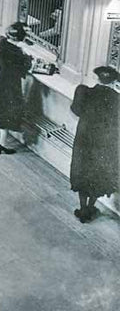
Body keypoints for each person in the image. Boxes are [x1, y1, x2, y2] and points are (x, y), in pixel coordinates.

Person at [70, 66, 119, 223]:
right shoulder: (117, 99)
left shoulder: (85, 92)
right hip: (104, 143)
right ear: (113, 82)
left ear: (97, 78)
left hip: (84, 140)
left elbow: (75, 110)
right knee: (96, 174)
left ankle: (83, 207)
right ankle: (90, 207)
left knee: (82, 170)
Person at [0, 22, 33, 154]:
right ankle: (2, 144)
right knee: (6, 112)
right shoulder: (17, 53)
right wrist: (25, 54)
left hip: (1, 78)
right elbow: (26, 66)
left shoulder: (0, 43)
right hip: (12, 83)